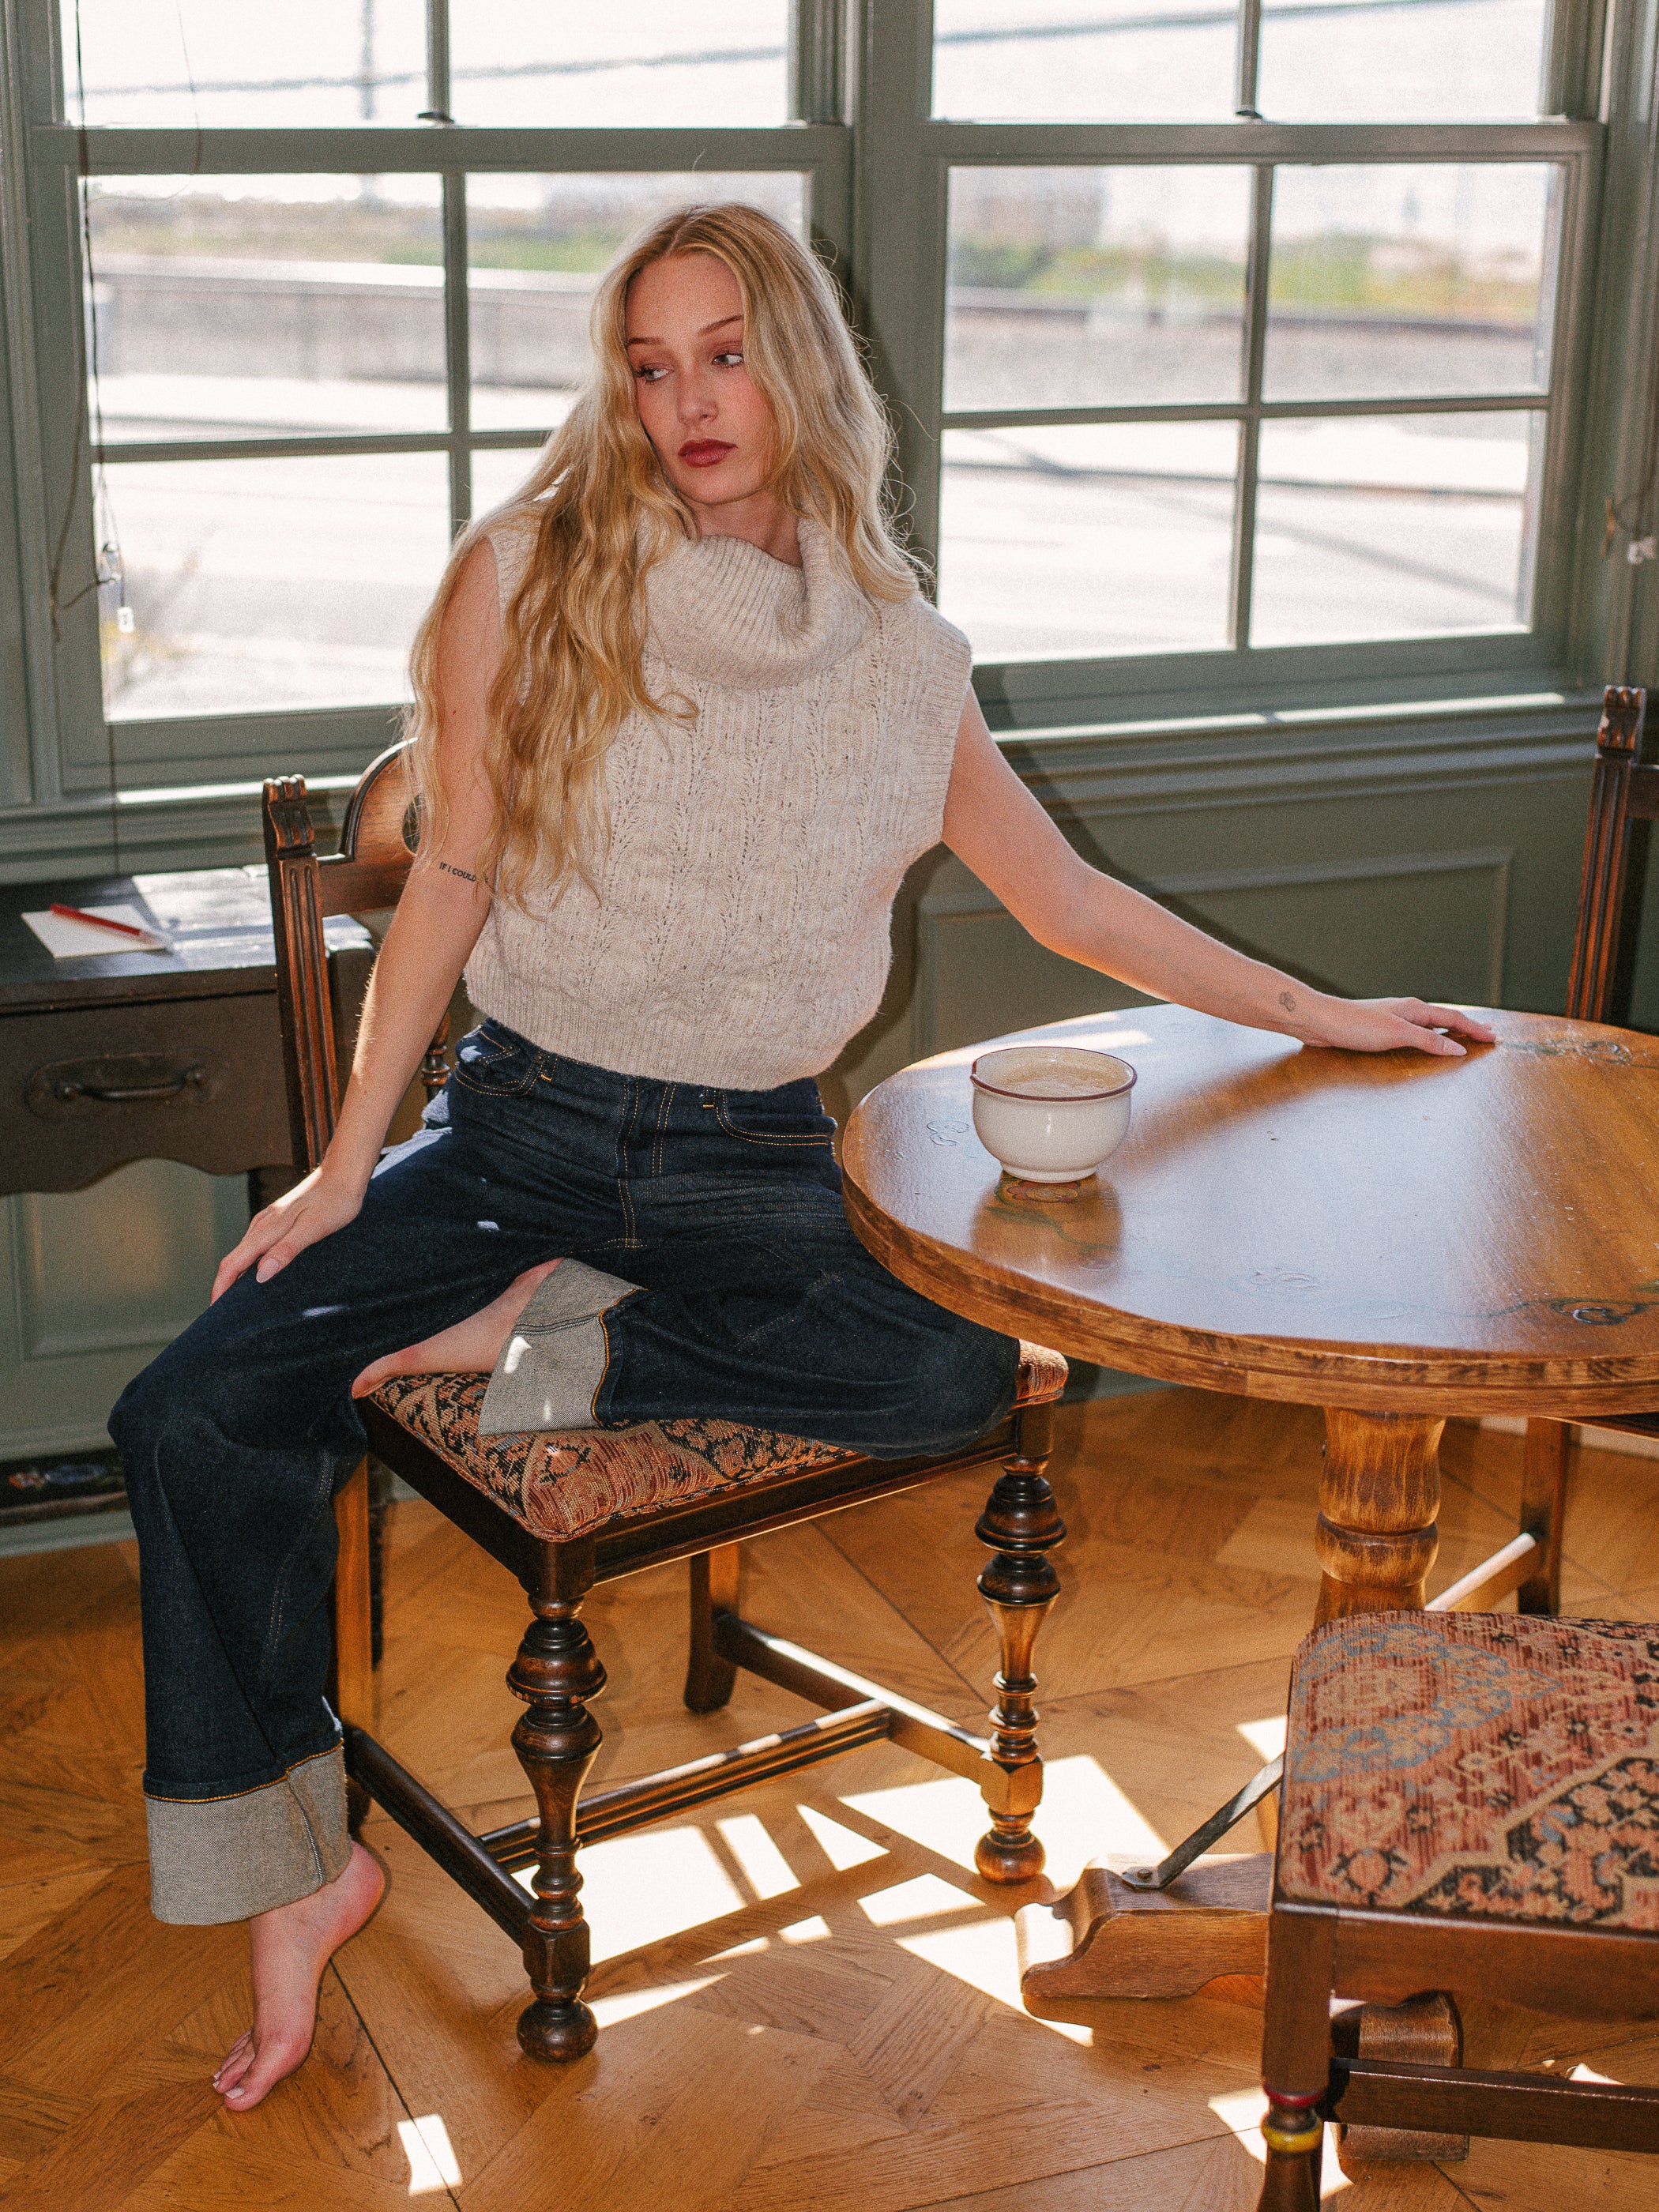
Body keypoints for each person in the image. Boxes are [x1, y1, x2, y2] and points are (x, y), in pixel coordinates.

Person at [109, 201, 1494, 2113]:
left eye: (727, 354)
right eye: (649, 366)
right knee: (190, 1408)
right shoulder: (532, 572)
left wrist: (1320, 1010)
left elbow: (1073, 900)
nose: (689, 401)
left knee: (956, 1364)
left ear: (801, 370)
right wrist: (347, 1166)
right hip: (517, 1131)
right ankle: (296, 1875)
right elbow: (453, 872)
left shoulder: (901, 660)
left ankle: (548, 1334)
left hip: (750, 1157)